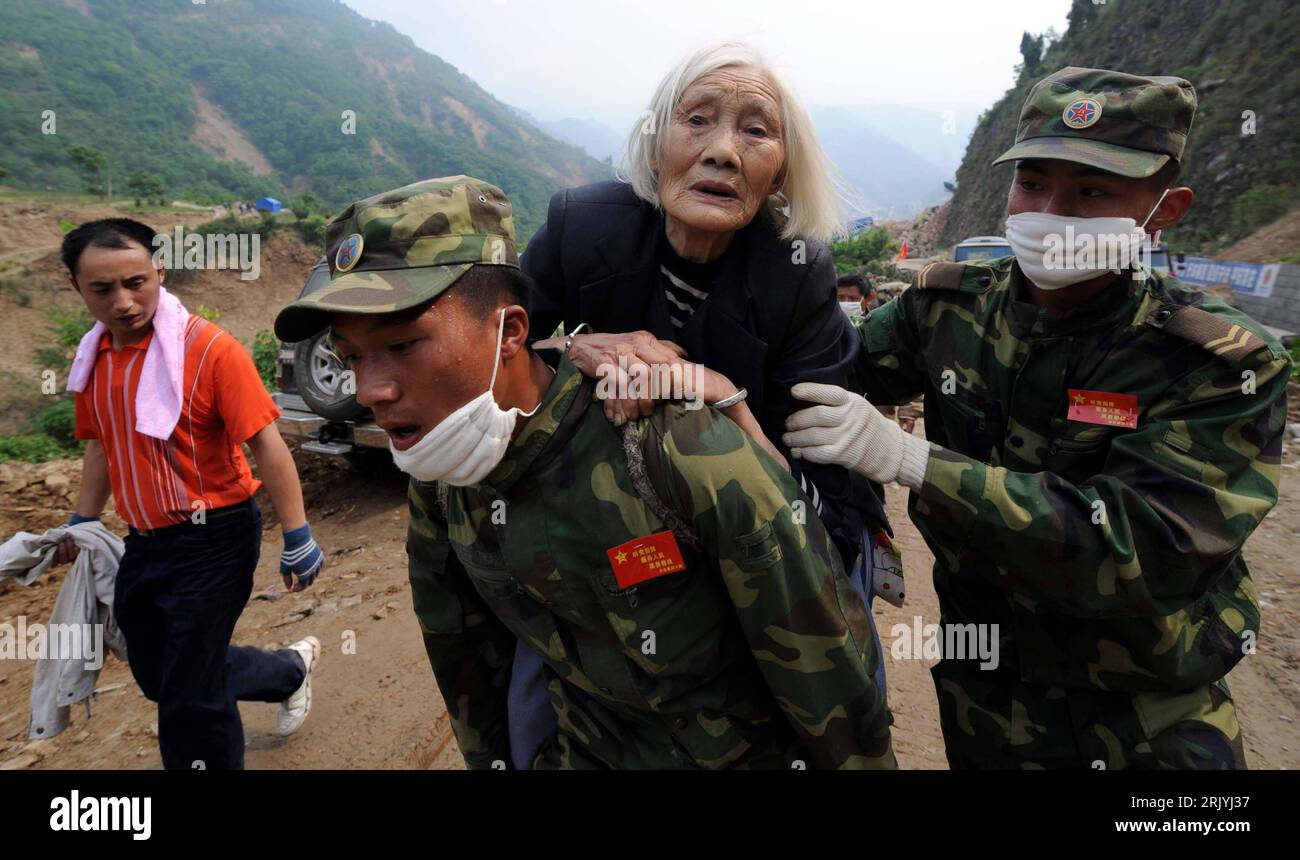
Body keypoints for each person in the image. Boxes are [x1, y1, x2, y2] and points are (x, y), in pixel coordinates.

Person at [273, 176, 895, 770]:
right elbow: (468, 673)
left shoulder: (675, 448)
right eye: (350, 357)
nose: (371, 390)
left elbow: (829, 675)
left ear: (511, 331)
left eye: (404, 345)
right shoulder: (443, 486)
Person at [782, 67, 1293, 769]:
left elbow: (1144, 553)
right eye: (1033, 182)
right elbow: (809, 371)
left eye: (1091, 191)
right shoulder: (948, 308)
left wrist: (911, 461)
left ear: (1164, 209)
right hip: (982, 691)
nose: (1053, 210)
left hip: (1140, 716)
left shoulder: (1218, 362)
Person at [519, 41, 896, 765]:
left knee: (842, 676)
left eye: (755, 130)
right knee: (535, 697)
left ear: (781, 168)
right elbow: (497, 359)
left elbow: (824, 501)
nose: (722, 151)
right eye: (697, 120)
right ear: (655, 140)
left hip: (764, 529)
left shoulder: (797, 273)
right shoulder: (581, 226)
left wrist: (725, 398)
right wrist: (571, 349)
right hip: (613, 523)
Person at [57, 218, 325, 770]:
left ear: (161, 271)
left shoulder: (210, 351)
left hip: (217, 538)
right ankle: (287, 672)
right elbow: (102, 447)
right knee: (159, 675)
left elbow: (267, 445)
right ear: (76, 288)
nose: (124, 302)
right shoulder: (93, 359)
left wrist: (297, 533)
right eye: (102, 289)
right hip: (146, 543)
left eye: (136, 282)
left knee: (190, 700)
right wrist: (81, 520)